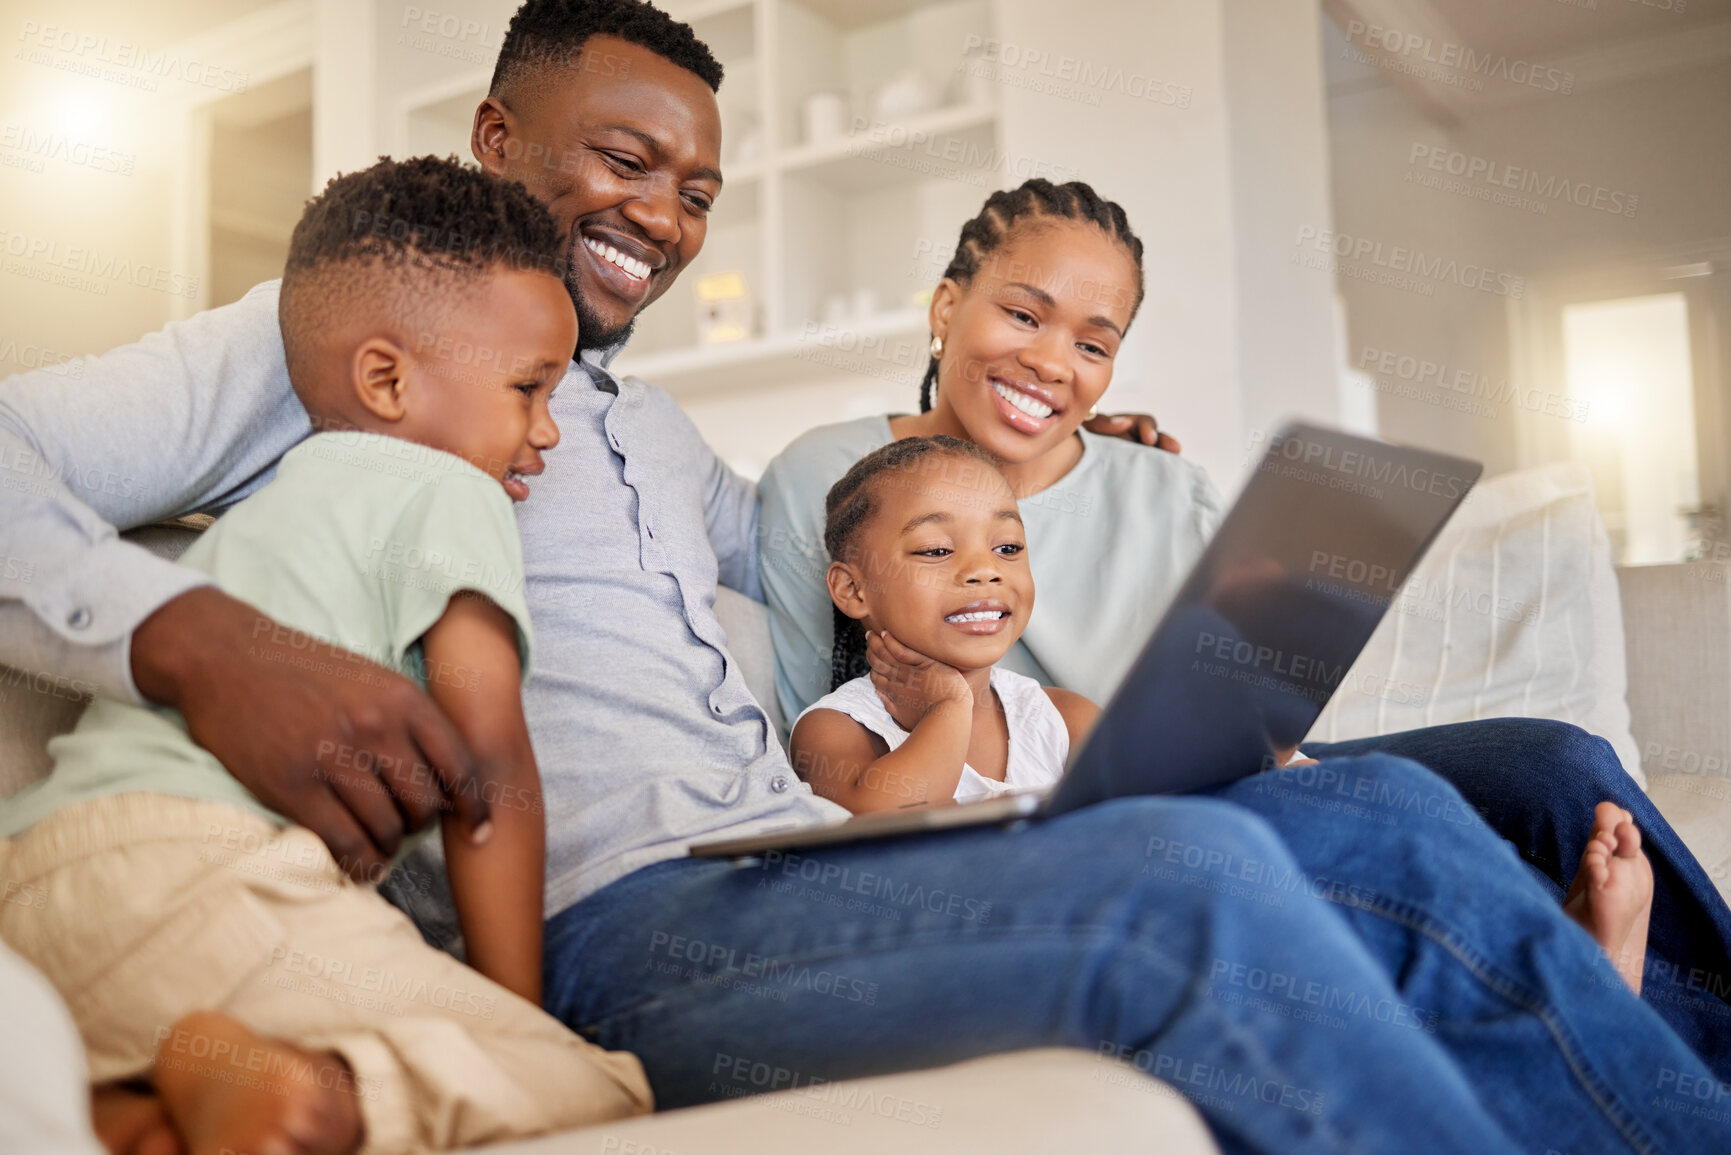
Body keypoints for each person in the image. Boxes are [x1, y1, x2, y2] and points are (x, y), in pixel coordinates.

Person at [0, 2, 1724, 1150]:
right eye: (620, 160)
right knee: (1187, 887)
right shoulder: (364, 330)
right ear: (497, 136)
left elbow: (859, 548)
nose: (662, 218)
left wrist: (1032, 455)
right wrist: (186, 629)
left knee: (1413, 814)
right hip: (633, 924)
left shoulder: (662, 437)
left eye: (695, 190)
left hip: (797, 860)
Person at [757, 177, 1731, 1054]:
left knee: (1553, 765)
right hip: (1073, 822)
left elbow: (1242, 684)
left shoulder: (1162, 483)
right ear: (945, 307)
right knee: (1375, 829)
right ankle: (1594, 1023)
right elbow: (828, 742)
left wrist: (1274, 710)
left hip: (1223, 775)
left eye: (1093, 344)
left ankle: (1664, 1023)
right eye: (1024, 315)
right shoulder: (830, 478)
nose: (1054, 363)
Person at [0, 157, 651, 1155]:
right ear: (385, 378)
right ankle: (305, 1091)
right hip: (211, 882)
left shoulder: (266, 505)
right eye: (529, 389)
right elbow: (490, 770)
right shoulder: (448, 490)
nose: (547, 430)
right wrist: (510, 1014)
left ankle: (122, 1120)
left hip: (36, 898)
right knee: (593, 1085)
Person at [792, 435, 1097, 810]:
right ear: (853, 589)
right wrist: (948, 709)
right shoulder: (835, 730)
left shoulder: (1068, 719)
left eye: (1007, 548)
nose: (985, 570)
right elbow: (878, 833)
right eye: (936, 550)